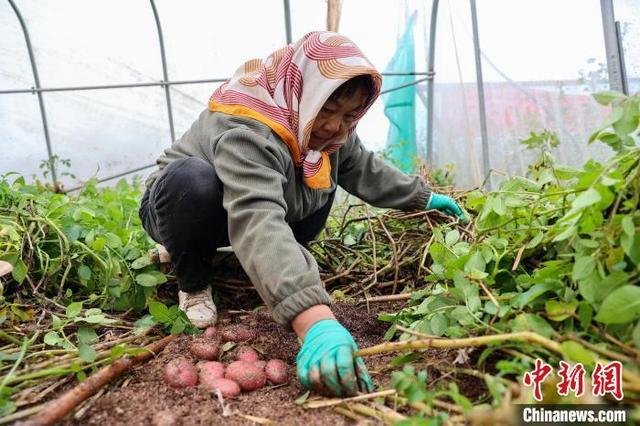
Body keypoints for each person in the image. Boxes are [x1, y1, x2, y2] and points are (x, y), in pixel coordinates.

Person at [139, 31, 466, 397]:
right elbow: (256, 215)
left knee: (323, 170)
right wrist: (313, 320)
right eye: (326, 109)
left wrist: (422, 197)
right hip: (179, 205)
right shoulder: (247, 126)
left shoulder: (331, 131)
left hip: (239, 210)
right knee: (196, 181)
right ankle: (193, 276)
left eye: (348, 115)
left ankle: (274, 266)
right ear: (303, 93)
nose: (333, 126)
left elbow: (362, 167)